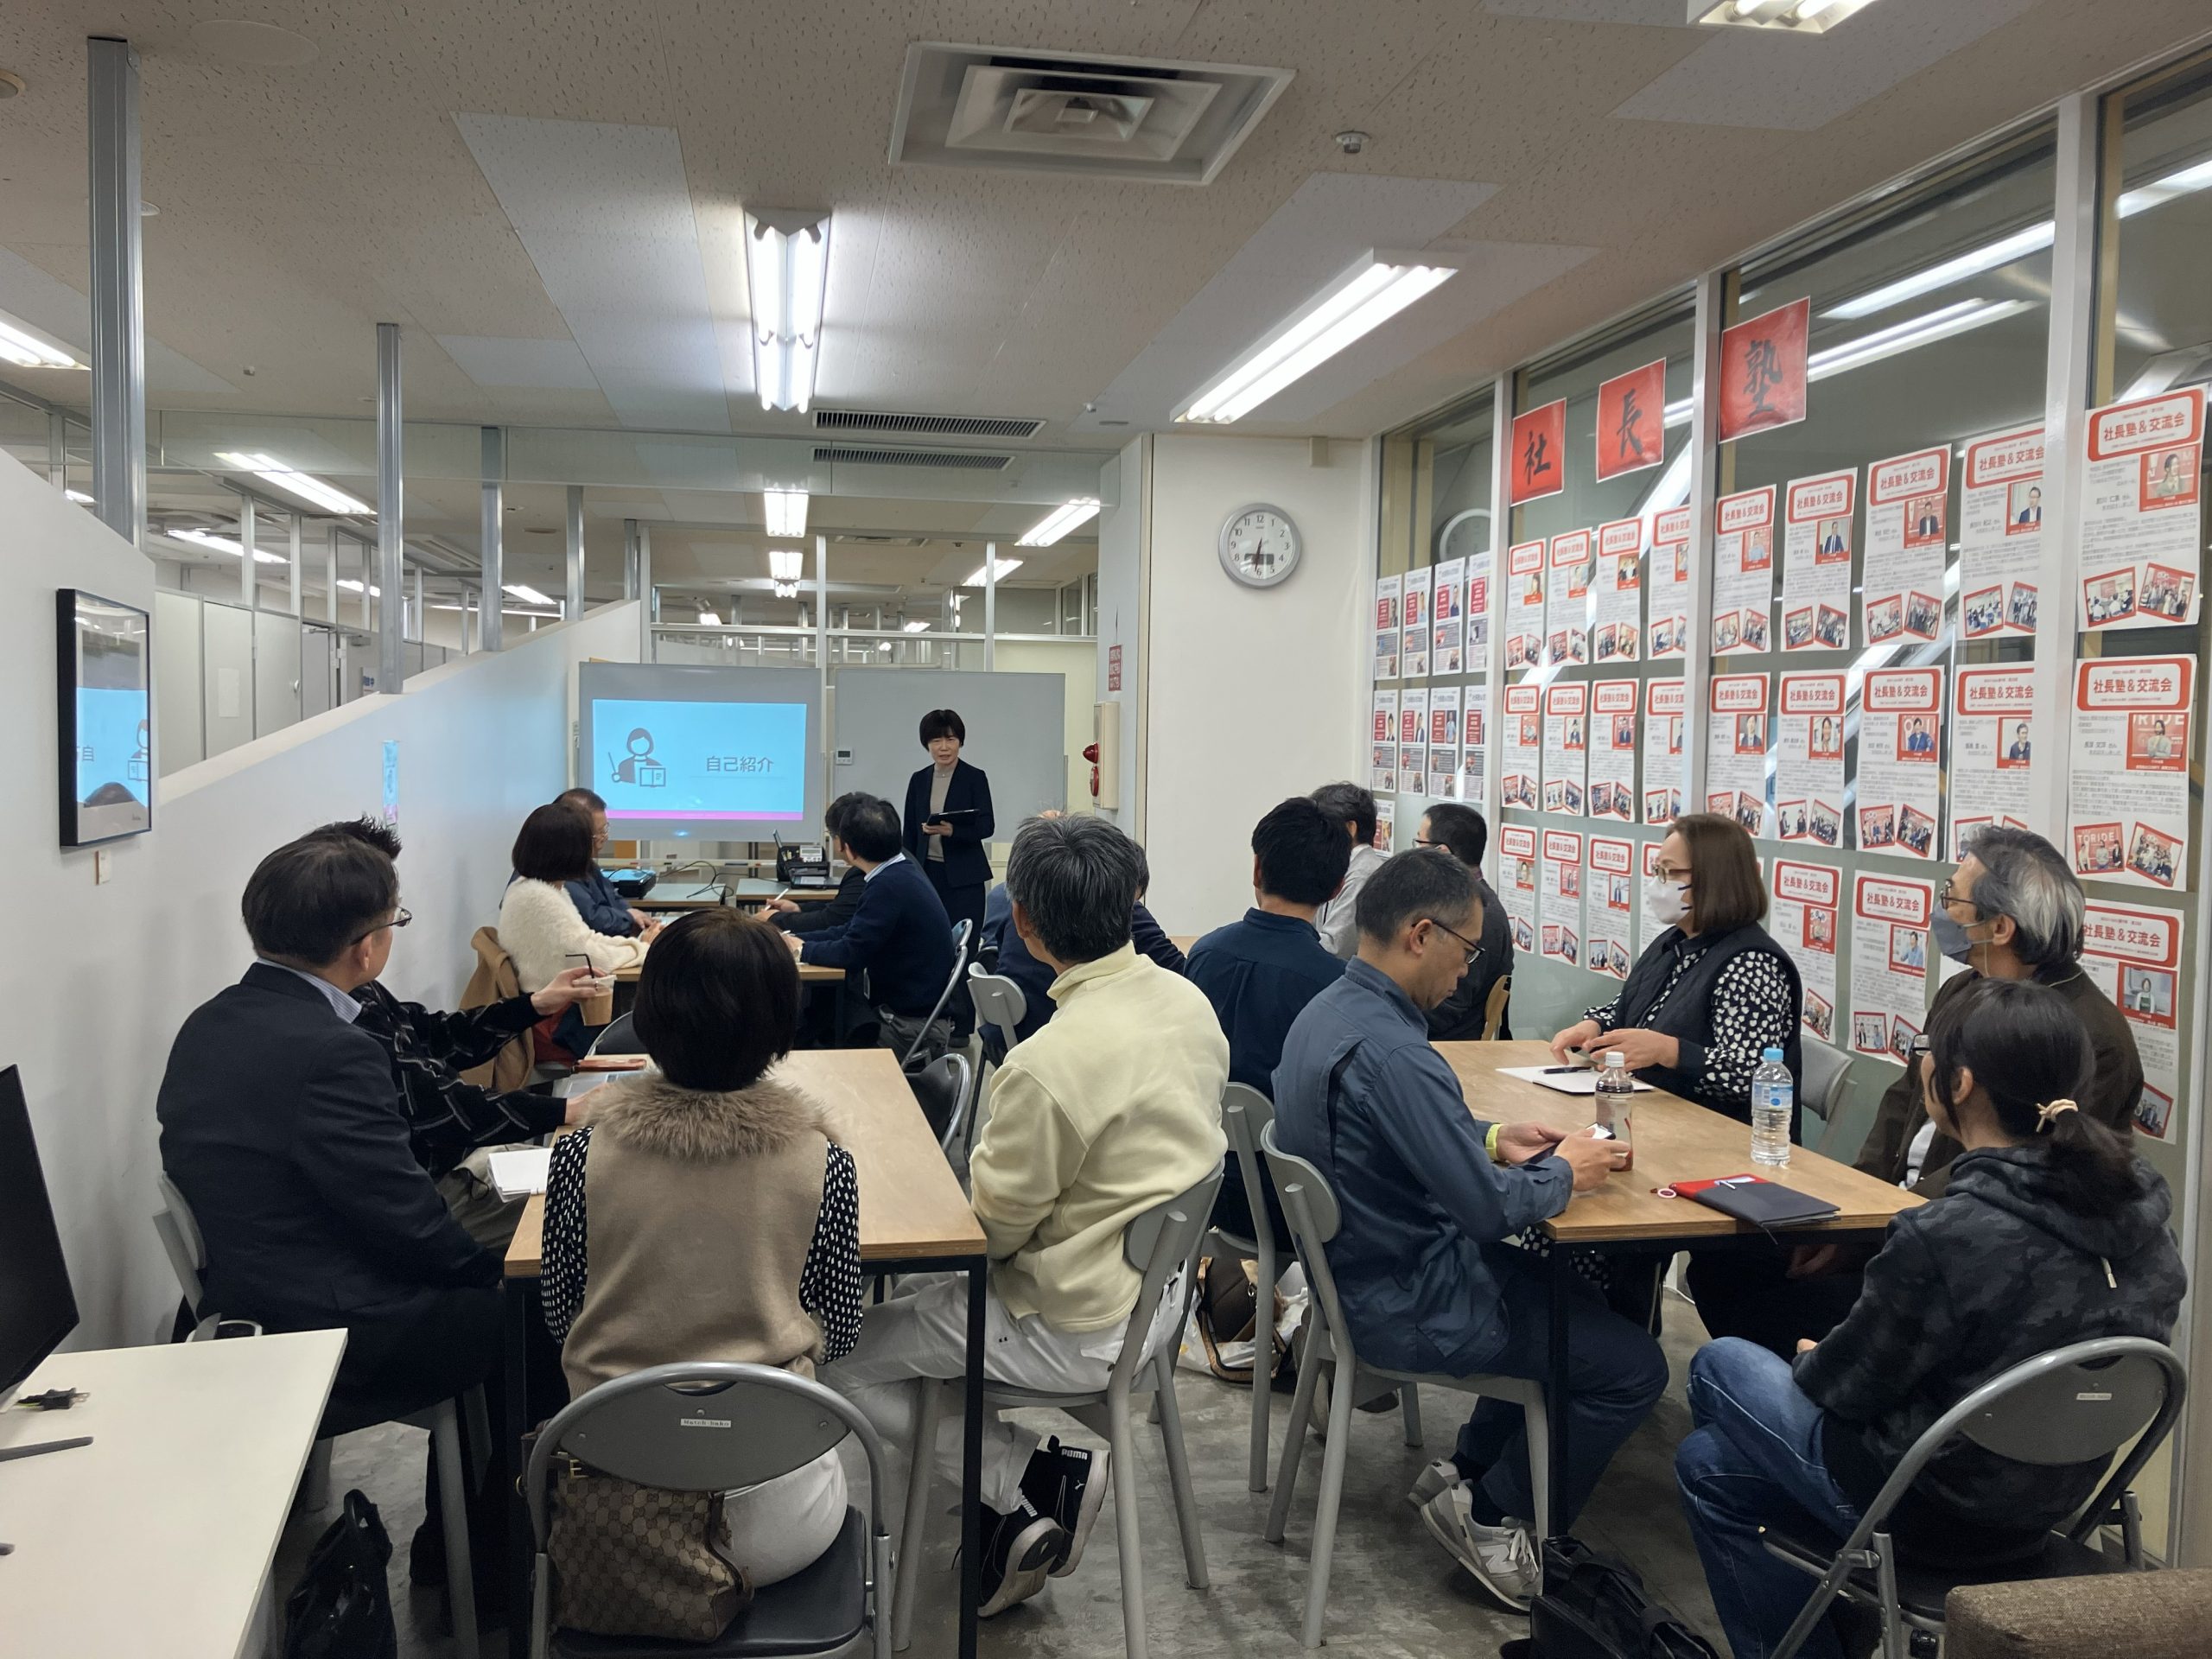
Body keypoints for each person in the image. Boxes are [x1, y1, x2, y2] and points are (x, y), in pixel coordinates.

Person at [1676, 977, 2184, 1659]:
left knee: (1720, 1363)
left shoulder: (1946, 1233)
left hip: (1934, 1504)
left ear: (1960, 1083)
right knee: (1708, 1462)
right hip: (2056, 1499)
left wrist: (1812, 1358)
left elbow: (1844, 1392)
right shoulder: (2149, 1225)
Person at [821, 816, 1228, 1617]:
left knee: (827, 1354)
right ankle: (1020, 1487)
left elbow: (990, 1236)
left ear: (1025, 925)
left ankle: (1027, 1476)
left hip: (1071, 1320)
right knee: (914, 1307)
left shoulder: (1046, 1067)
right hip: (1158, 1300)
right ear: (1133, 900)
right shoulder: (1189, 1004)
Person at [156, 829, 545, 1595]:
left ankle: (476, 1553)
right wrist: (502, 1272)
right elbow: (408, 1226)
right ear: (366, 949)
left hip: (250, 1295)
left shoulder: (210, 1020)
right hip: (335, 1323)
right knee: (537, 1312)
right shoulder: (335, 1051)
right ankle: (483, 1570)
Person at [1273, 849, 1656, 1611]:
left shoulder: (1330, 1012)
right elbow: (1486, 1211)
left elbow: (1386, 1134)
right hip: (1413, 1301)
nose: (1467, 973)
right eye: (1468, 951)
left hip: (1357, 1281)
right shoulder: (1397, 1053)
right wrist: (1566, 1170)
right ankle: (1495, 1514)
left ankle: (1469, 1470)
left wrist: (1491, 1137)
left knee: (1574, 1296)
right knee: (1635, 1367)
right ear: (1422, 935)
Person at [1692, 826, 2143, 1357]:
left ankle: (1814, 1393)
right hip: (1889, 1222)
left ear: (1999, 927)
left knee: (1765, 1308)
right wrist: (1848, 1214)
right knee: (1726, 1261)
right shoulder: (1963, 989)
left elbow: (2024, 1172)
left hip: (1959, 1258)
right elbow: (1902, 1102)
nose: (1942, 909)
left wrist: (1878, 1231)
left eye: (1953, 897)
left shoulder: (2088, 1036)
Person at [543, 909, 861, 1590]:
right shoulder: (825, 1163)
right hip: (780, 1510)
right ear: (783, 1024)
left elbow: (559, 1314)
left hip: (616, 1506)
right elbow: (842, 1328)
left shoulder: (578, 1155)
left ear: (648, 1017)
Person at [313, 817, 598, 1243]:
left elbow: (436, 1035)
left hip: (455, 1164)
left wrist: (535, 1005)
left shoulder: (354, 992)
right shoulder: (341, 1030)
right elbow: (443, 1111)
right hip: (432, 1197)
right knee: (602, 1196)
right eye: (394, 916)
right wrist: (564, 1111)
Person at [1551, 812, 1802, 1127]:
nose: (1658, 883)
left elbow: (1749, 1075)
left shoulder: (1751, 963)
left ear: (1714, 878)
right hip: (1653, 1114)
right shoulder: (1676, 941)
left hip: (1718, 1133)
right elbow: (1636, 1008)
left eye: (1668, 872)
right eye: (1657, 870)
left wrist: (1669, 1051)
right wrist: (1596, 1025)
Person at [1185, 798, 1351, 1241]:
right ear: (1337, 888)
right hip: (1294, 1202)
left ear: (1257, 869)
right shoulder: (1335, 985)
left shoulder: (1204, 954)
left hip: (1196, 1186)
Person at [981, 837, 1185, 1062]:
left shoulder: (1024, 913)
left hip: (1005, 1034)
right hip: (1055, 1044)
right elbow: (1181, 972)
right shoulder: (1121, 913)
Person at [790, 792, 957, 1062]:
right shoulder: (897, 872)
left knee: (816, 1041)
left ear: (847, 848)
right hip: (910, 1013)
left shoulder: (888, 886)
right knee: (824, 1014)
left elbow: (851, 953)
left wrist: (803, 950)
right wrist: (795, 939)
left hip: (906, 1027)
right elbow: (850, 931)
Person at [902, 709, 994, 1038]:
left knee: (964, 951)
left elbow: (986, 826)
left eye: (950, 739)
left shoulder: (974, 777)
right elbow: (909, 833)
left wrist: (953, 830)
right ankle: (930, 1021)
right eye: (936, 740)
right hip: (928, 875)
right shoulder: (919, 779)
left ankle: (962, 1027)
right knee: (929, 947)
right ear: (927, 744)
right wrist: (908, 874)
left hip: (965, 880)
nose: (944, 747)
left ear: (960, 742)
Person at [498, 802, 654, 994]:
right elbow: (588, 957)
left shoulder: (539, 888)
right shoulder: (539, 898)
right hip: (559, 1005)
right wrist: (643, 948)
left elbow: (587, 939)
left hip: (559, 996)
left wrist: (640, 945)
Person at [1413, 802, 1514, 1042]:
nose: (1414, 853)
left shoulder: (1478, 915)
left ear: (1441, 853)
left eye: (1419, 843)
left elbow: (1445, 1011)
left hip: (1443, 1044)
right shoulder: (1455, 901)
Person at [763, 794, 868, 938]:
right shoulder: (866, 869)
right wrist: (798, 908)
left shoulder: (864, 875)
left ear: (841, 841)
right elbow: (839, 908)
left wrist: (774, 920)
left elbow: (832, 920)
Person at [553, 787, 650, 938]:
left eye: (605, 829)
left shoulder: (585, 862)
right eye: (599, 832)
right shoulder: (559, 871)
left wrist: (631, 913)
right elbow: (592, 919)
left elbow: (612, 896)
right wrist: (629, 919)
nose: (605, 837)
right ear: (575, 832)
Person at [1310, 781, 1389, 958]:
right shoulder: (1338, 866)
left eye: (1322, 826)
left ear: (1350, 829)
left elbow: (1335, 948)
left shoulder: (1363, 875)